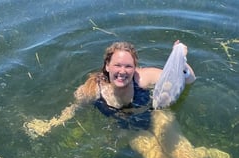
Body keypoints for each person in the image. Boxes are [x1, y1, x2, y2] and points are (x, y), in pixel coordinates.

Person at [24, 40, 196, 137]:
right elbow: (74, 108)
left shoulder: (144, 78)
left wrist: (180, 58)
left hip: (156, 117)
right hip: (128, 128)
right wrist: (50, 124)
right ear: (107, 66)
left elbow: (187, 81)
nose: (122, 71)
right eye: (117, 65)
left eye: (128, 66)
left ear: (135, 67)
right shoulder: (93, 88)